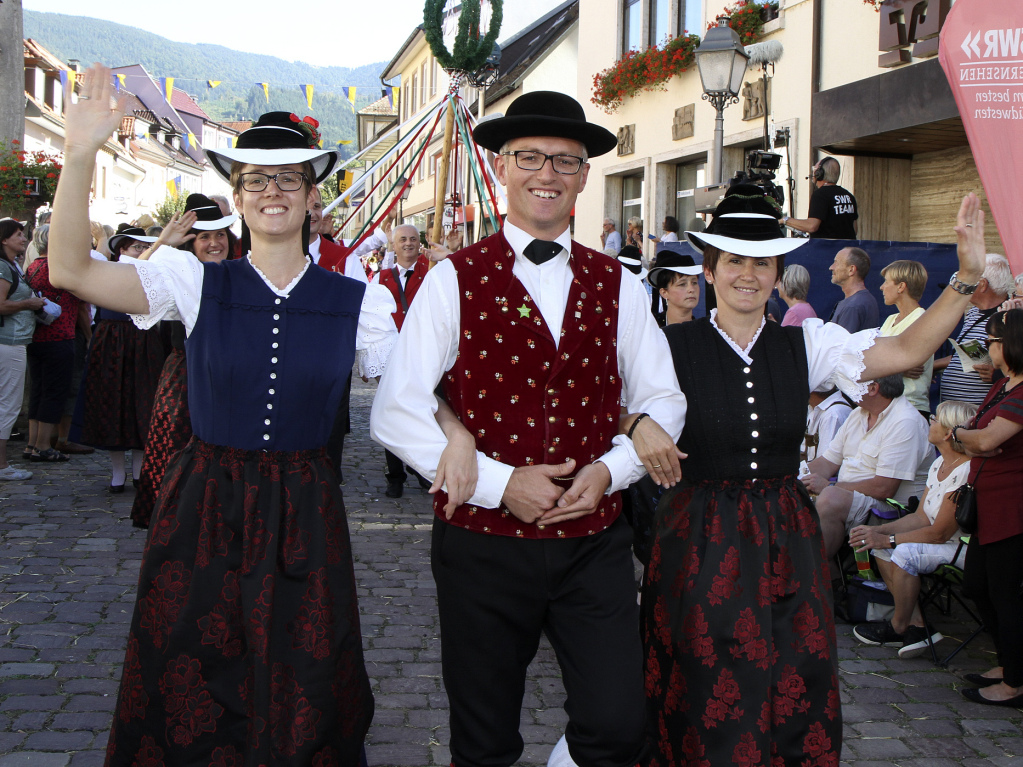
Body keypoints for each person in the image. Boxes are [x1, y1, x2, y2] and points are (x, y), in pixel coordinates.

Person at [49, 68, 381, 763]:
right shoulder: (193, 280)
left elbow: (421, 387)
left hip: (306, 507)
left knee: (305, 677)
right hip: (205, 505)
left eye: (288, 178)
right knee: (194, 672)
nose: (272, 191)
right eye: (256, 179)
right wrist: (78, 156)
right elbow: (72, 273)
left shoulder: (358, 299)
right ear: (237, 197)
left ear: (311, 194)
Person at [371, 90, 686, 767]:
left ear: (583, 176)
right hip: (481, 545)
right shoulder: (452, 278)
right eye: (530, 157)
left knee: (617, 721)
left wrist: (610, 468)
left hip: (592, 541)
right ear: (503, 166)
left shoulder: (621, 283)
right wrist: (496, 481)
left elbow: (663, 398)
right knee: (483, 740)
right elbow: (395, 407)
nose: (547, 173)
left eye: (565, 161)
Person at [632, 186, 988, 765]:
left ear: (777, 273)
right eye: (735, 261)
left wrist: (965, 280)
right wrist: (634, 419)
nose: (748, 274)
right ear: (711, 269)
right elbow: (602, 398)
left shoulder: (810, 344)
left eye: (762, 262)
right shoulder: (666, 345)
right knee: (703, 677)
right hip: (698, 536)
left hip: (783, 536)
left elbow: (903, 351)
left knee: (791, 673)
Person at [128, 194, 237, 528]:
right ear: (192, 244)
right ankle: (173, 521)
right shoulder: (175, 274)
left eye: (220, 235)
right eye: (205, 237)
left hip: (232, 378)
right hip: (186, 377)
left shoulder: (241, 274)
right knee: (177, 449)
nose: (215, 243)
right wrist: (163, 242)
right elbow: (135, 280)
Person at [848, 399, 977, 658]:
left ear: (949, 432)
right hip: (940, 540)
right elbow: (920, 518)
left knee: (902, 553)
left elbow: (939, 533)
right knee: (879, 548)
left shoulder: (966, 471)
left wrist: (890, 540)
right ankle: (917, 626)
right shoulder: (940, 464)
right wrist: (880, 533)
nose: (930, 421)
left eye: (936, 419)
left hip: (962, 547)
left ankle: (898, 626)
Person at [949, 309, 1023, 707]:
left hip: (1012, 509)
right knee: (977, 586)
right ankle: (1011, 662)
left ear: (1009, 345)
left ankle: (1015, 682)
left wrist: (964, 435)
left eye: (993, 341)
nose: (989, 347)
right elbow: (977, 435)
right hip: (986, 504)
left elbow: (985, 438)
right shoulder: (1003, 384)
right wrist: (970, 436)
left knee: (1004, 593)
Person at [74, 224, 167, 492]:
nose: (141, 250)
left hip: (144, 341)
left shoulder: (151, 272)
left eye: (143, 246)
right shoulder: (109, 269)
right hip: (111, 341)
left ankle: (139, 469)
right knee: (110, 403)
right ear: (123, 249)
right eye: (136, 246)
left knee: (142, 402)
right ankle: (117, 471)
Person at [804, 373, 933, 561]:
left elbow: (884, 488)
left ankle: (816, 575)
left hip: (894, 513)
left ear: (873, 388)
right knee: (791, 489)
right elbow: (826, 463)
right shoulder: (858, 413)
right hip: (856, 501)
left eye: (852, 380)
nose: (845, 385)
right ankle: (790, 570)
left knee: (830, 497)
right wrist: (790, 476)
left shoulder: (905, 421)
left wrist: (830, 487)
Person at [377, 223, 432, 498]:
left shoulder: (430, 271)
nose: (408, 244)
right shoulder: (382, 277)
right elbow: (373, 320)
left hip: (423, 353)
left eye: (413, 239)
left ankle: (421, 469)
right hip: (391, 355)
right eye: (402, 240)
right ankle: (395, 474)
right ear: (394, 245)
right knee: (392, 414)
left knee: (423, 413)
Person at [25, 224, 84, 464]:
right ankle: (43, 446)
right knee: (54, 392)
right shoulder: (58, 268)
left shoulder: (33, 266)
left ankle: (32, 444)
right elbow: (82, 298)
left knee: (38, 391)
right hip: (59, 336)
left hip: (36, 337)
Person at [935, 254, 1013, 405]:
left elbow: (1018, 366)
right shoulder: (973, 312)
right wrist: (930, 368)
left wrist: (997, 375)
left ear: (982, 285)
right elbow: (965, 356)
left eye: (969, 279)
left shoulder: (1009, 318)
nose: (964, 284)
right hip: (954, 411)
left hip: (977, 413)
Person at [0, 219, 45, 481]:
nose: (23, 239)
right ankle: (2, 464)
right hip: (10, 341)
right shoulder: (4, 268)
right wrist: (29, 303)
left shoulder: (12, 265)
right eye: (18, 235)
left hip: (13, 340)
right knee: (8, 404)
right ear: (4, 239)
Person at [879, 260, 933, 416]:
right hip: (886, 403)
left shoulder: (921, 319)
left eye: (886, 282)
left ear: (901, 287)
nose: (882, 287)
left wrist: (886, 364)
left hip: (911, 405)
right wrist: (896, 367)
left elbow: (909, 360)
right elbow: (872, 356)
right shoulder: (890, 319)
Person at [781, 156, 858, 239]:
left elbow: (812, 226)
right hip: (847, 249)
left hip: (826, 249)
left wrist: (784, 220)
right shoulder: (849, 196)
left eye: (815, 169)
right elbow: (855, 229)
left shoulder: (820, 195)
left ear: (820, 174)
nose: (813, 172)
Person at [828, 246, 879, 333]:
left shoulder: (853, 306)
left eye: (836, 263)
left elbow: (841, 344)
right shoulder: (862, 300)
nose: (831, 267)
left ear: (851, 270)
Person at [647, 251, 702, 326]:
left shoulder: (706, 332)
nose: (691, 289)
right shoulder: (651, 330)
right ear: (664, 292)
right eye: (682, 284)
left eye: (694, 282)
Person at [778, 263, 817, 327]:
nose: (777, 285)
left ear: (787, 284)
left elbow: (781, 336)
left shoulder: (794, 313)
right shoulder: (806, 308)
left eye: (780, 281)